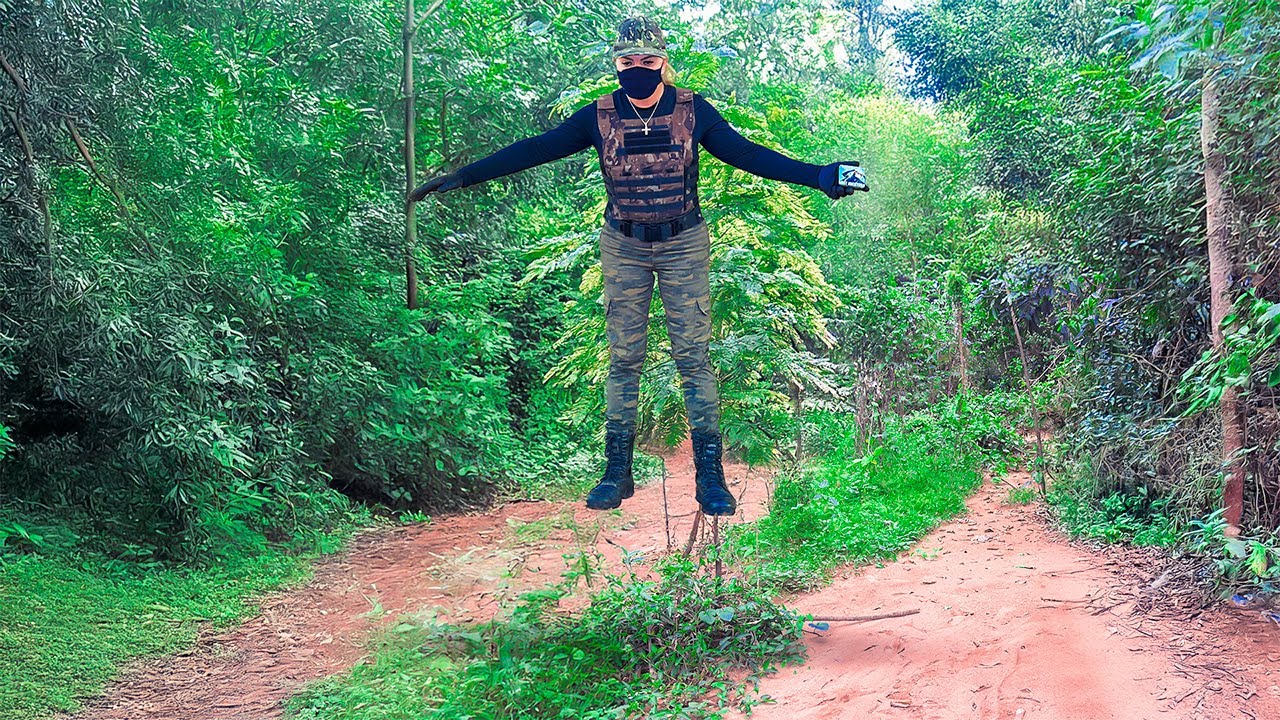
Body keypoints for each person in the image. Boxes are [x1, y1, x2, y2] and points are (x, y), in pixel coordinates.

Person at [411, 15, 866, 517]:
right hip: (623, 244)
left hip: (683, 242)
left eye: (647, 61)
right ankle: (616, 471)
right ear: (617, 64)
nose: (637, 69)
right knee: (624, 357)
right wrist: (465, 176)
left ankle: (710, 478)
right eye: (627, 62)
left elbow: (745, 154)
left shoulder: (693, 110)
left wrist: (819, 175)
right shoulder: (599, 114)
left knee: (693, 358)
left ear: (662, 62)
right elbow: (539, 148)